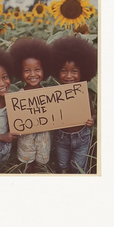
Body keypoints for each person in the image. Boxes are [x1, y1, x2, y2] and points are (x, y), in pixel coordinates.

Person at [49, 36, 97, 173]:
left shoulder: (84, 93)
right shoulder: (55, 94)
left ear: (83, 72)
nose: (69, 76)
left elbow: (92, 113)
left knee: (79, 167)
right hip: (61, 137)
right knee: (62, 165)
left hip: (81, 138)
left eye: (74, 71)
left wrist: (91, 120)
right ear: (57, 70)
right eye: (64, 71)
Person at [9, 37, 52, 173]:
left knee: (41, 166)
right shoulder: (18, 97)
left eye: (37, 69)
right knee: (26, 166)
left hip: (44, 139)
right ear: (20, 73)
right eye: (27, 70)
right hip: (25, 140)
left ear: (44, 70)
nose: (33, 74)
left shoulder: (50, 94)